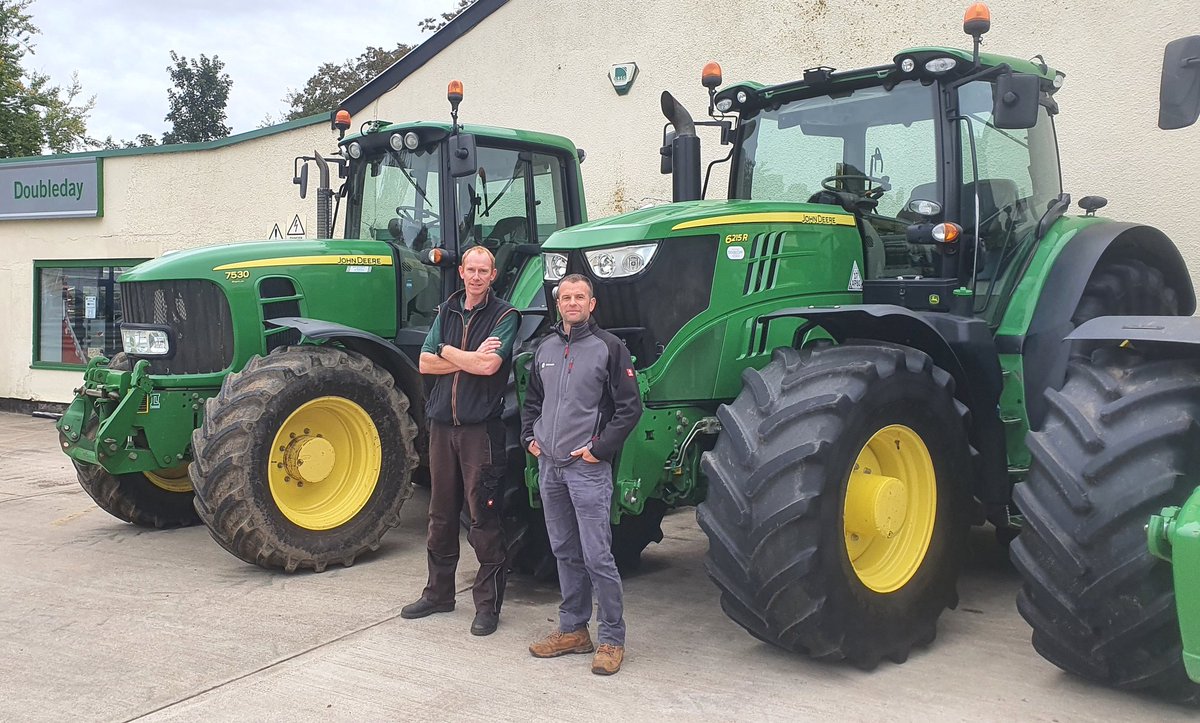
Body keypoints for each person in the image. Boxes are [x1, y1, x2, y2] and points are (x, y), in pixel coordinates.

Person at [522, 274, 642, 675]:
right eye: (566, 297)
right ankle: (573, 630)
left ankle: (611, 638)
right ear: (559, 304)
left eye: (580, 297)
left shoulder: (609, 348)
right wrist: (529, 438)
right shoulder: (546, 348)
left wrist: (599, 449)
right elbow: (533, 400)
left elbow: (629, 408)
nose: (572, 303)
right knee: (564, 552)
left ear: (592, 304)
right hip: (551, 467)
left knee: (597, 556)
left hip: (586, 469)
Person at [401, 246, 519, 637]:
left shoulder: (505, 315)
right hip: (441, 428)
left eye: (483, 270)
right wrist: (463, 356)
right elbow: (423, 362)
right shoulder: (446, 311)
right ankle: (438, 594)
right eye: (471, 269)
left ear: (493, 275)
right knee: (440, 516)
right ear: (462, 272)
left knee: (483, 518)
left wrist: (448, 352)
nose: (476, 276)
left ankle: (486, 607)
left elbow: (490, 366)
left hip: (478, 430)